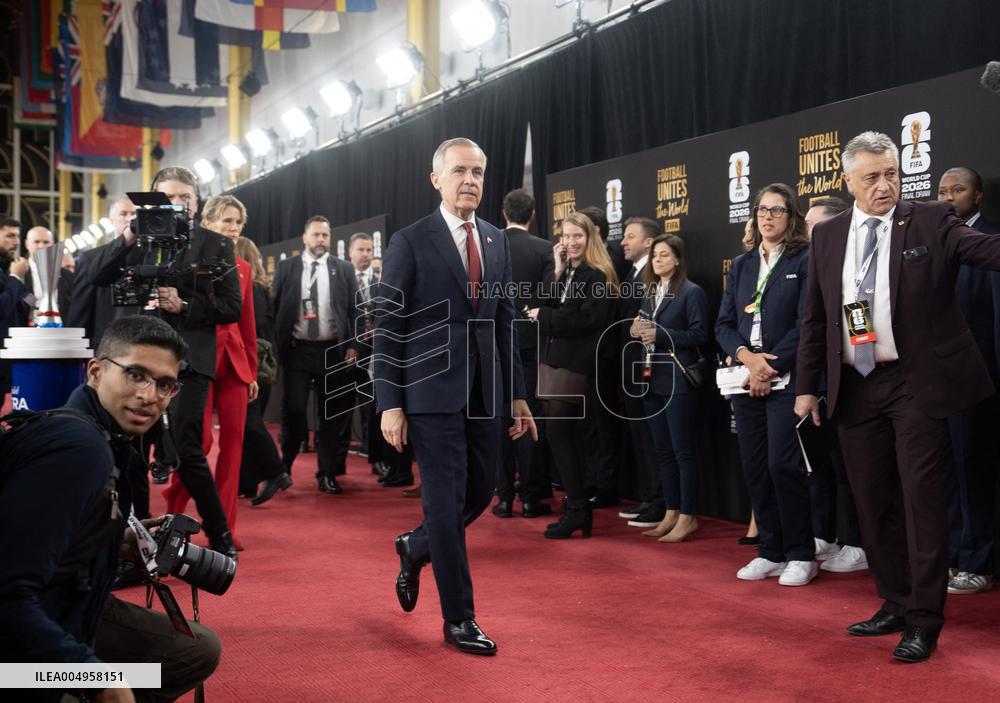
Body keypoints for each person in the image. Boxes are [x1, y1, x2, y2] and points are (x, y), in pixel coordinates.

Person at [795, 131, 1000, 662]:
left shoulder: (930, 219)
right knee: (871, 501)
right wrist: (805, 388)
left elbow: (984, 250)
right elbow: (815, 318)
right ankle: (895, 601)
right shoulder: (828, 235)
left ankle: (926, 621)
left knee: (922, 502)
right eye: (871, 178)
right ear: (848, 181)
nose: (885, 186)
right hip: (855, 386)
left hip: (914, 383)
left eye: (891, 175)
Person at [0, 316, 221, 703]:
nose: (149, 395)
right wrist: (97, 678)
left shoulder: (103, 433)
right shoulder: (80, 449)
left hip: (68, 602)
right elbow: (6, 596)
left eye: (164, 385)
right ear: (96, 372)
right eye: (135, 374)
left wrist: (110, 540)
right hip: (15, 654)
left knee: (194, 648)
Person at [373, 137, 536, 655]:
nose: (471, 180)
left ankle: (414, 545)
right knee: (444, 503)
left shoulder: (495, 240)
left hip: (486, 394)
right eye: (460, 171)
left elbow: (505, 323)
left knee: (480, 494)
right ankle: (459, 618)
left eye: (479, 172)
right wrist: (390, 402)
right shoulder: (409, 240)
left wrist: (516, 396)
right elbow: (388, 326)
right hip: (428, 394)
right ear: (436, 179)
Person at [87, 166, 243, 559]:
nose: (176, 205)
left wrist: (186, 304)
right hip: (134, 360)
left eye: (184, 197)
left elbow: (231, 308)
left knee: (188, 447)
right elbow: (96, 276)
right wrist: (127, 236)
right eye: (167, 197)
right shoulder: (135, 239)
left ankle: (220, 534)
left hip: (189, 361)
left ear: (197, 200)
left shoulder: (216, 244)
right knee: (132, 450)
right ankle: (138, 538)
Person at [716, 183, 815, 587]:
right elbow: (723, 325)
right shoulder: (741, 265)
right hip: (746, 377)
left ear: (791, 216)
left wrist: (768, 367)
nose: (768, 216)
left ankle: (800, 554)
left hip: (786, 377)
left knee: (783, 466)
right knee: (755, 468)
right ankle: (770, 550)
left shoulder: (804, 260)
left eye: (777, 210)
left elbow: (806, 323)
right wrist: (748, 360)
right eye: (762, 210)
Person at [163, 195, 257, 552]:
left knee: (233, 446)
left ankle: (225, 530)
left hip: (234, 363)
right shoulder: (187, 260)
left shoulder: (243, 269)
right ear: (208, 223)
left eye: (237, 223)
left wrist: (250, 372)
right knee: (197, 443)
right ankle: (173, 507)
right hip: (197, 358)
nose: (232, 229)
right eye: (226, 222)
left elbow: (246, 324)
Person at [527, 211, 617, 539]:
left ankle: (578, 507)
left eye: (577, 236)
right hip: (555, 360)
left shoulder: (598, 274)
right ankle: (578, 507)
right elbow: (545, 301)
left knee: (561, 436)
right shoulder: (569, 272)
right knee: (562, 437)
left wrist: (546, 317)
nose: (570, 242)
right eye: (565, 236)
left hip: (575, 364)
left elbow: (588, 320)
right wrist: (558, 268)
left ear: (590, 238)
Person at [936, 166, 1000, 595]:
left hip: (979, 380)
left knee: (973, 468)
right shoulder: (930, 244)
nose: (947, 197)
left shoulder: (988, 242)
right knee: (945, 470)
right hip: (936, 380)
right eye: (941, 191)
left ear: (977, 197)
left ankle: (979, 561)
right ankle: (957, 553)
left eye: (957, 190)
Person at [272, 215, 361, 494]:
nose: (321, 240)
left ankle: (326, 473)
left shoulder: (343, 269)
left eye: (325, 235)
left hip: (333, 351)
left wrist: (354, 345)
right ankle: (284, 468)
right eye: (316, 235)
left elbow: (355, 309)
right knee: (295, 410)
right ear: (305, 237)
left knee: (331, 415)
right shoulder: (287, 268)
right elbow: (273, 310)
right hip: (298, 351)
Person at [630, 234, 709, 542]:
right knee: (663, 452)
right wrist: (635, 330)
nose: (658, 260)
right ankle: (671, 512)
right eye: (654, 256)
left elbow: (700, 334)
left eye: (664, 255)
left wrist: (659, 335)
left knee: (682, 451)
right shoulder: (650, 292)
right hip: (651, 379)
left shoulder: (691, 292)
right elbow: (641, 326)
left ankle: (688, 516)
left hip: (679, 380)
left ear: (678, 259)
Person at [493, 188, 554, 518]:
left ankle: (503, 498)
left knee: (501, 418)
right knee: (527, 419)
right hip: (529, 344)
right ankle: (531, 498)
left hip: (493, 344)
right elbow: (548, 298)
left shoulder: (490, 244)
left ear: (504, 213)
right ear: (532, 215)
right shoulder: (544, 249)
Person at [232, 236, 293, 506]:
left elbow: (250, 330)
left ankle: (276, 471)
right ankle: (246, 481)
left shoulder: (252, 289)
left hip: (252, 363)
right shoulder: (259, 287)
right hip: (259, 362)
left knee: (248, 420)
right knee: (245, 423)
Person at [617, 217, 665, 528]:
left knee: (652, 438)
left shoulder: (650, 275)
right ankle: (649, 498)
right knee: (640, 437)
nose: (623, 241)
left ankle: (658, 502)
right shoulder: (632, 273)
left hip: (646, 368)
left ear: (649, 242)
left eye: (630, 236)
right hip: (630, 366)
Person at [68, 196, 139, 347]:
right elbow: (80, 311)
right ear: (111, 221)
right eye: (123, 214)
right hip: (105, 344)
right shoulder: (90, 258)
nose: (130, 218)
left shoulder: (149, 255)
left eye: (134, 214)